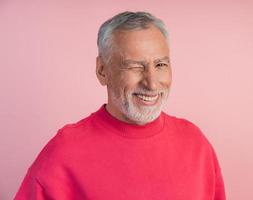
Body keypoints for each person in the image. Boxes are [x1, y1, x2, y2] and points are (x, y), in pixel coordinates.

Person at [15, 11, 226, 199]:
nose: (151, 83)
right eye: (134, 66)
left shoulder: (196, 144)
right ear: (102, 71)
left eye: (160, 65)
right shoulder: (64, 153)